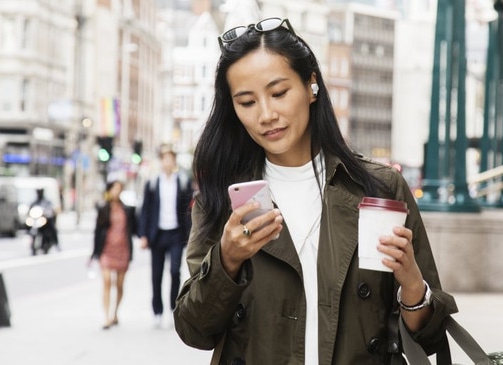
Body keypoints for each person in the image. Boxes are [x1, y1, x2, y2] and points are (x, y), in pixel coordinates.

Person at [173, 17, 458, 364]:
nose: (266, 114)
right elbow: (194, 330)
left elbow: (428, 337)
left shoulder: (379, 188)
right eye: (247, 102)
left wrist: (413, 286)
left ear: (311, 85)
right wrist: (227, 260)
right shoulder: (223, 201)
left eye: (278, 93)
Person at [138, 145, 193, 328]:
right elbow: (145, 211)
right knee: (156, 275)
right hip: (157, 235)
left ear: (174, 161)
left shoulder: (183, 182)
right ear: (161, 161)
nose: (167, 162)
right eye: (164, 159)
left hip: (176, 234)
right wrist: (144, 235)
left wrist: (189, 234)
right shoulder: (153, 184)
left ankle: (172, 308)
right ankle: (157, 311)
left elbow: (188, 211)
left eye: (170, 159)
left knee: (175, 272)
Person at [91, 180, 136, 330]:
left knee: (119, 285)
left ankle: (115, 312)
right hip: (107, 249)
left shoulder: (127, 210)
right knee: (107, 281)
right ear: (109, 190)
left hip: (122, 249)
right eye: (114, 189)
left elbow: (134, 228)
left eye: (119, 189)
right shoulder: (103, 209)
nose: (116, 192)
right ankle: (106, 316)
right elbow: (97, 232)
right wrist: (95, 252)